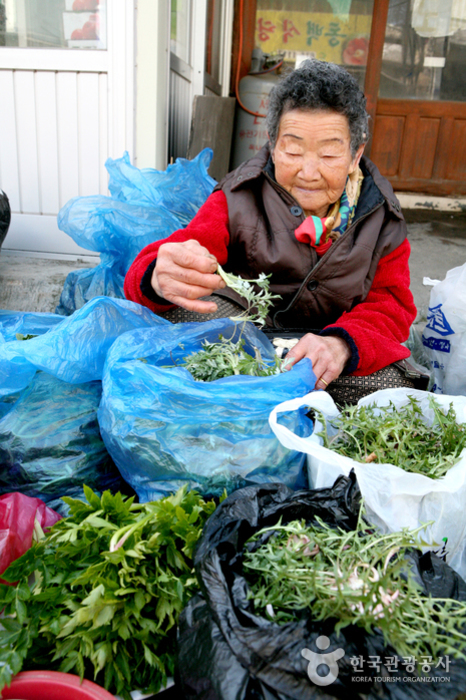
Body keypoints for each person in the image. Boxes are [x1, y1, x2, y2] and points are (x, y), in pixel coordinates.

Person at [124, 59, 417, 393]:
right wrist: (158, 277)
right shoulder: (238, 197)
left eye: (329, 155)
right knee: (184, 316)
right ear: (274, 146)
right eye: (293, 150)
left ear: (354, 155)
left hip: (322, 362)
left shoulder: (382, 218)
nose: (309, 172)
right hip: (241, 347)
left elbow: (391, 307)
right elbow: (179, 254)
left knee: (394, 385)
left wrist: (340, 344)